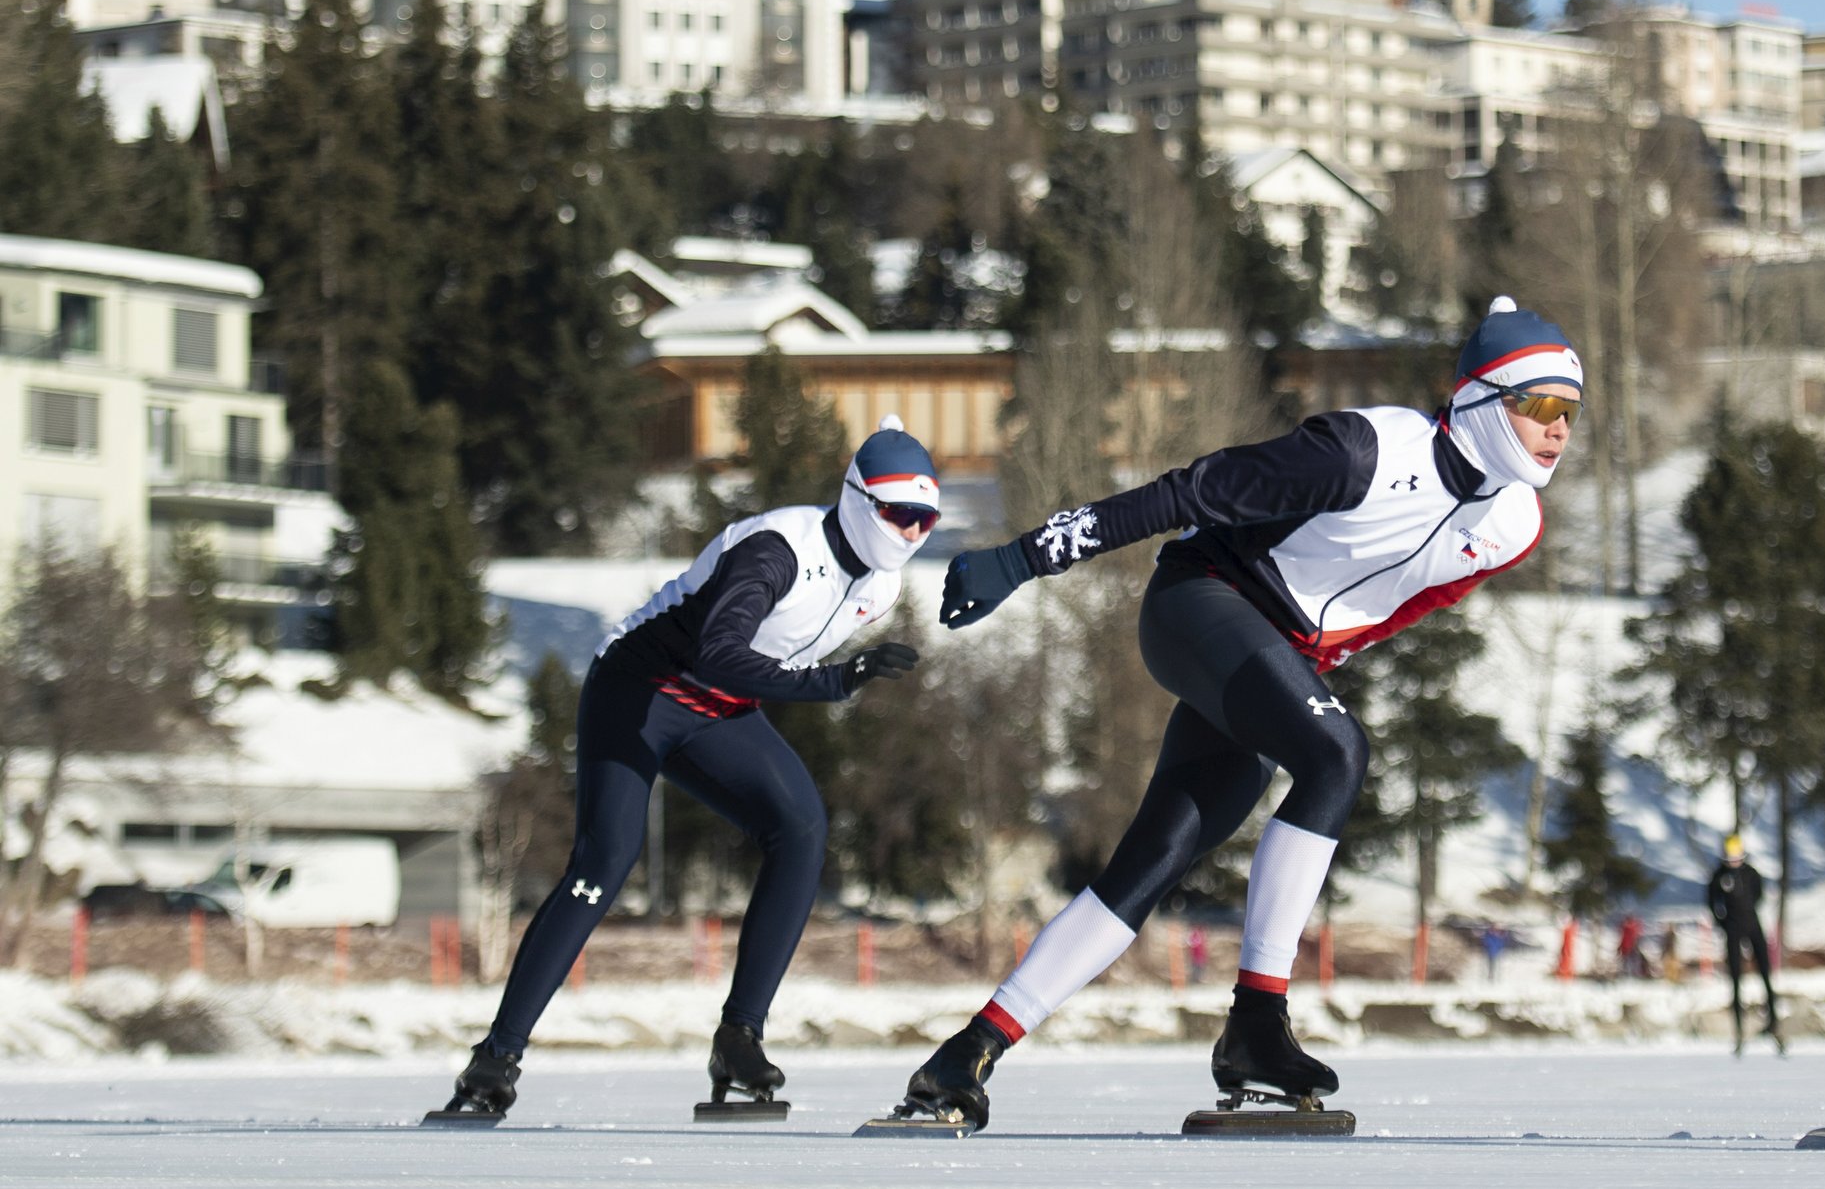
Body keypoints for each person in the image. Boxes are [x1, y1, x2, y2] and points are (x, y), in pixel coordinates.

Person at [876, 299, 1580, 1131]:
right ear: (1477, 400)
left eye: (1570, 411)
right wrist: (1023, 557)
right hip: (1200, 604)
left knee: (1151, 864)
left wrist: (1307, 669)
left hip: (1274, 655)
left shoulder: (1513, 525)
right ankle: (1258, 1019)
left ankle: (966, 1055)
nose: (1558, 428)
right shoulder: (1364, 450)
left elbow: (1401, 604)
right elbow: (1187, 491)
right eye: (1538, 405)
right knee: (1337, 753)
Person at [434, 421, 934, 1121]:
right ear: (856, 499)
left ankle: (739, 1038)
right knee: (605, 861)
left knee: (802, 829)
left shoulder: (880, 584)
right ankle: (496, 1057)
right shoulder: (776, 551)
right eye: (899, 513)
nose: (912, 532)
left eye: (927, 519)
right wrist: (835, 681)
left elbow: (741, 675)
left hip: (717, 712)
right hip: (639, 691)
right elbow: (718, 652)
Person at [1706, 835, 1785, 1055]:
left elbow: (1758, 895)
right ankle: (1739, 1027)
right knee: (1735, 977)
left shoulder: (1751, 873)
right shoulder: (1719, 876)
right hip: (1732, 928)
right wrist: (1724, 923)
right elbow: (1712, 902)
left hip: (1752, 924)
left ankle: (1773, 1021)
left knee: (1765, 973)